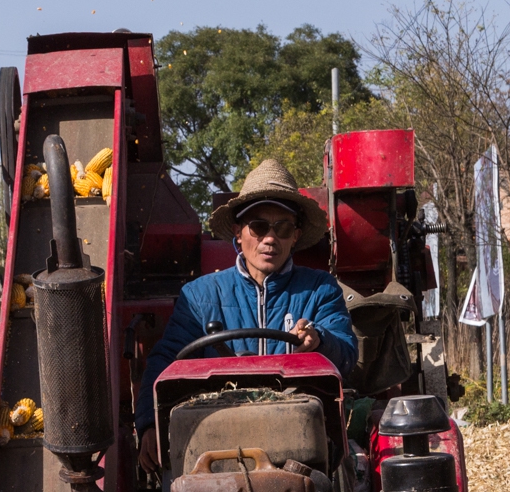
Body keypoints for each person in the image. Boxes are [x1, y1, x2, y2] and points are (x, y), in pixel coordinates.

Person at [137, 159, 356, 467]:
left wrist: (320, 342)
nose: (270, 238)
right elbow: (165, 361)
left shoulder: (319, 288)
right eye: (259, 227)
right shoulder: (199, 296)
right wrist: (148, 423)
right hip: (215, 444)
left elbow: (346, 353)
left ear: (295, 236)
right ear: (238, 233)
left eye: (283, 228)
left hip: (298, 445)